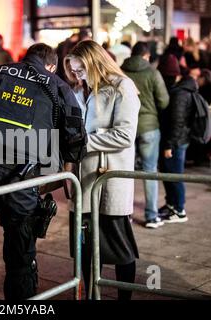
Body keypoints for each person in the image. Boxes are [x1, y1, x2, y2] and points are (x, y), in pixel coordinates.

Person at [0, 43, 87, 300]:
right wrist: (67, 168)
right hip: (24, 179)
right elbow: (75, 136)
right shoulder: (57, 85)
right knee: (20, 257)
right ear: (51, 65)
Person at [64, 40, 140, 300]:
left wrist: (85, 141)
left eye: (80, 69)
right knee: (83, 246)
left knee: (119, 246)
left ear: (94, 61)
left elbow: (126, 134)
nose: (77, 75)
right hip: (83, 178)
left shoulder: (123, 87)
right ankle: (90, 295)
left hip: (110, 177)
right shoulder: (78, 89)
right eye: (73, 71)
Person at [121, 42, 170, 228]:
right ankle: (151, 216)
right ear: (146, 56)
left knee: (125, 172)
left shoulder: (120, 71)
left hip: (125, 127)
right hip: (149, 127)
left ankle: (125, 215)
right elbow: (164, 101)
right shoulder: (152, 73)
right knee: (149, 171)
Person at [158, 59, 197, 224]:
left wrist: (169, 145)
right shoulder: (181, 89)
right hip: (178, 140)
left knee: (175, 175)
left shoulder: (180, 93)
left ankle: (179, 210)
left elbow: (177, 122)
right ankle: (171, 205)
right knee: (170, 174)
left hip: (176, 142)